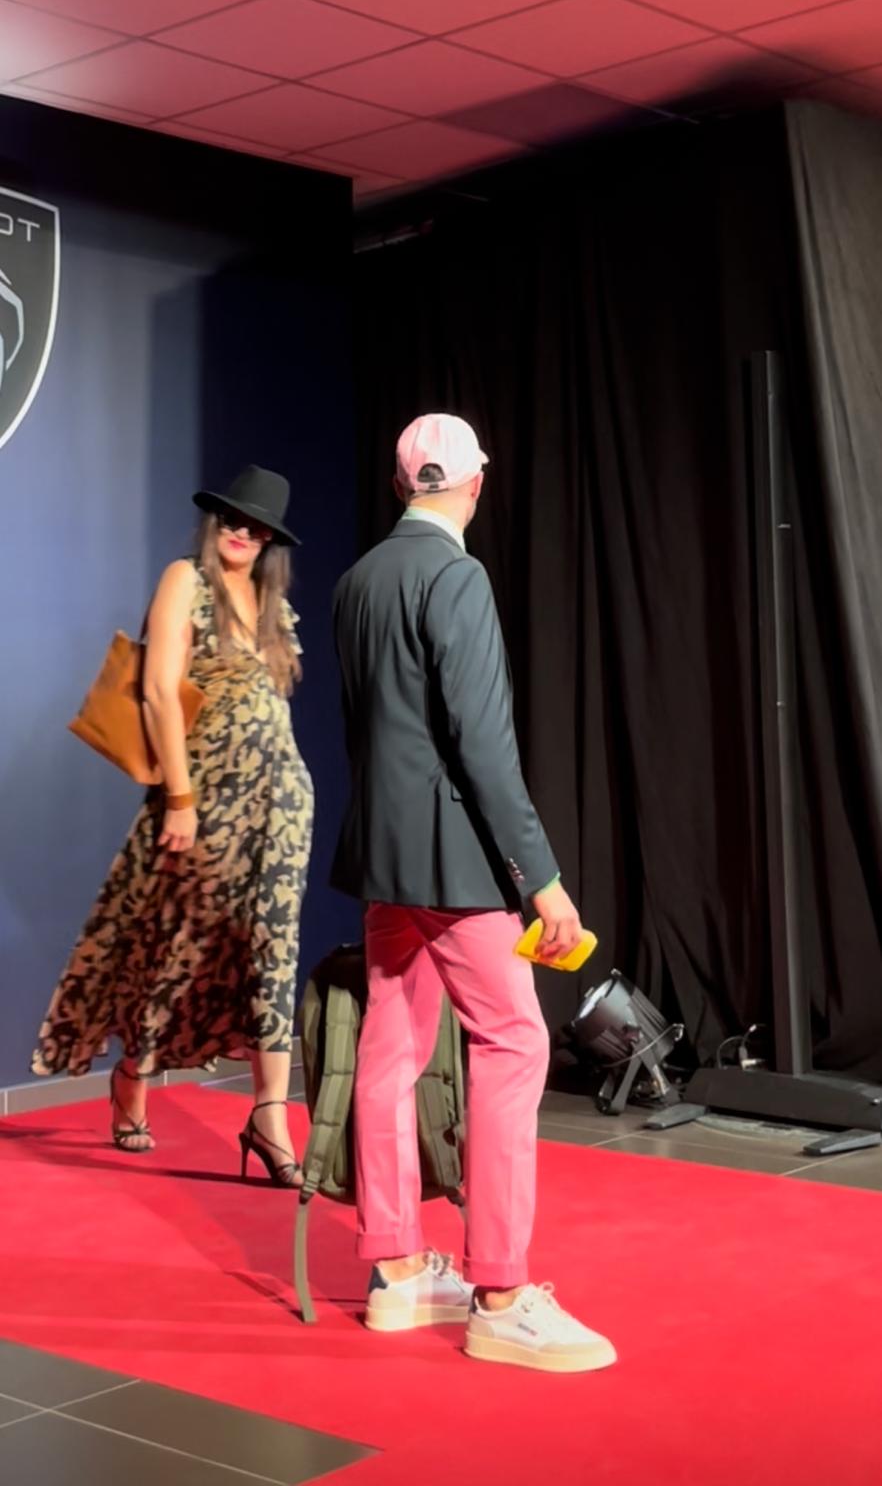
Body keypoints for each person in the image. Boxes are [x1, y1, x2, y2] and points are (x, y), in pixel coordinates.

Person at [332, 413, 616, 1374]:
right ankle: (499, 1293)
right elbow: (482, 745)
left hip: (384, 857)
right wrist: (543, 881)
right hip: (455, 863)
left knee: (391, 1044)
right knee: (514, 1040)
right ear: (473, 484)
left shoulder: (358, 580)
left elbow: (368, 733)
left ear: (402, 483)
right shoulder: (456, 577)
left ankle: (398, 1269)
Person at [32, 465, 314, 1186]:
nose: (243, 533)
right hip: (206, 799)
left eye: (258, 528)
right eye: (234, 520)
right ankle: (134, 1072)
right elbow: (159, 690)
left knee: (273, 952)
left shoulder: (272, 604)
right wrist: (181, 800)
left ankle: (271, 1115)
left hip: (282, 805)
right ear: (215, 522)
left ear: (271, 541)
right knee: (177, 949)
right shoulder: (185, 579)